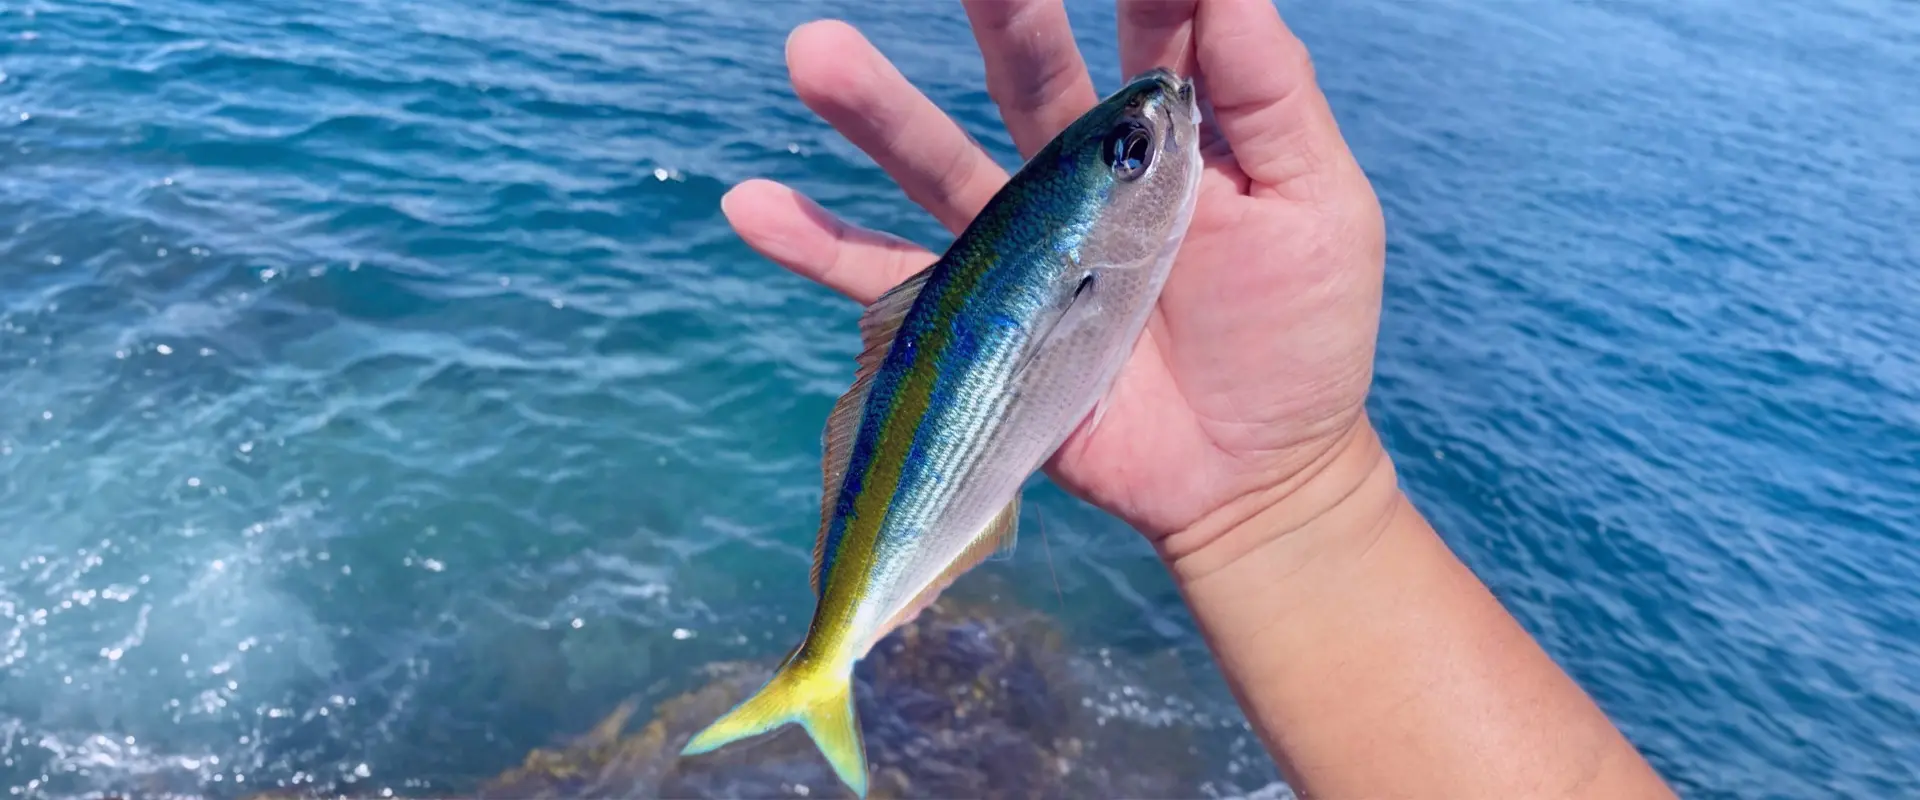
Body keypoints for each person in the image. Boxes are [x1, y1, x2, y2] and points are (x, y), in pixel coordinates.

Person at [718, 1, 1679, 797]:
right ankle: (819, 672)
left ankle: (816, 674)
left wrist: (1288, 487)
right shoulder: (1079, 250)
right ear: (1081, 246)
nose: (1166, 119)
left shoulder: (1108, 246)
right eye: (1136, 151)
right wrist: (1293, 504)